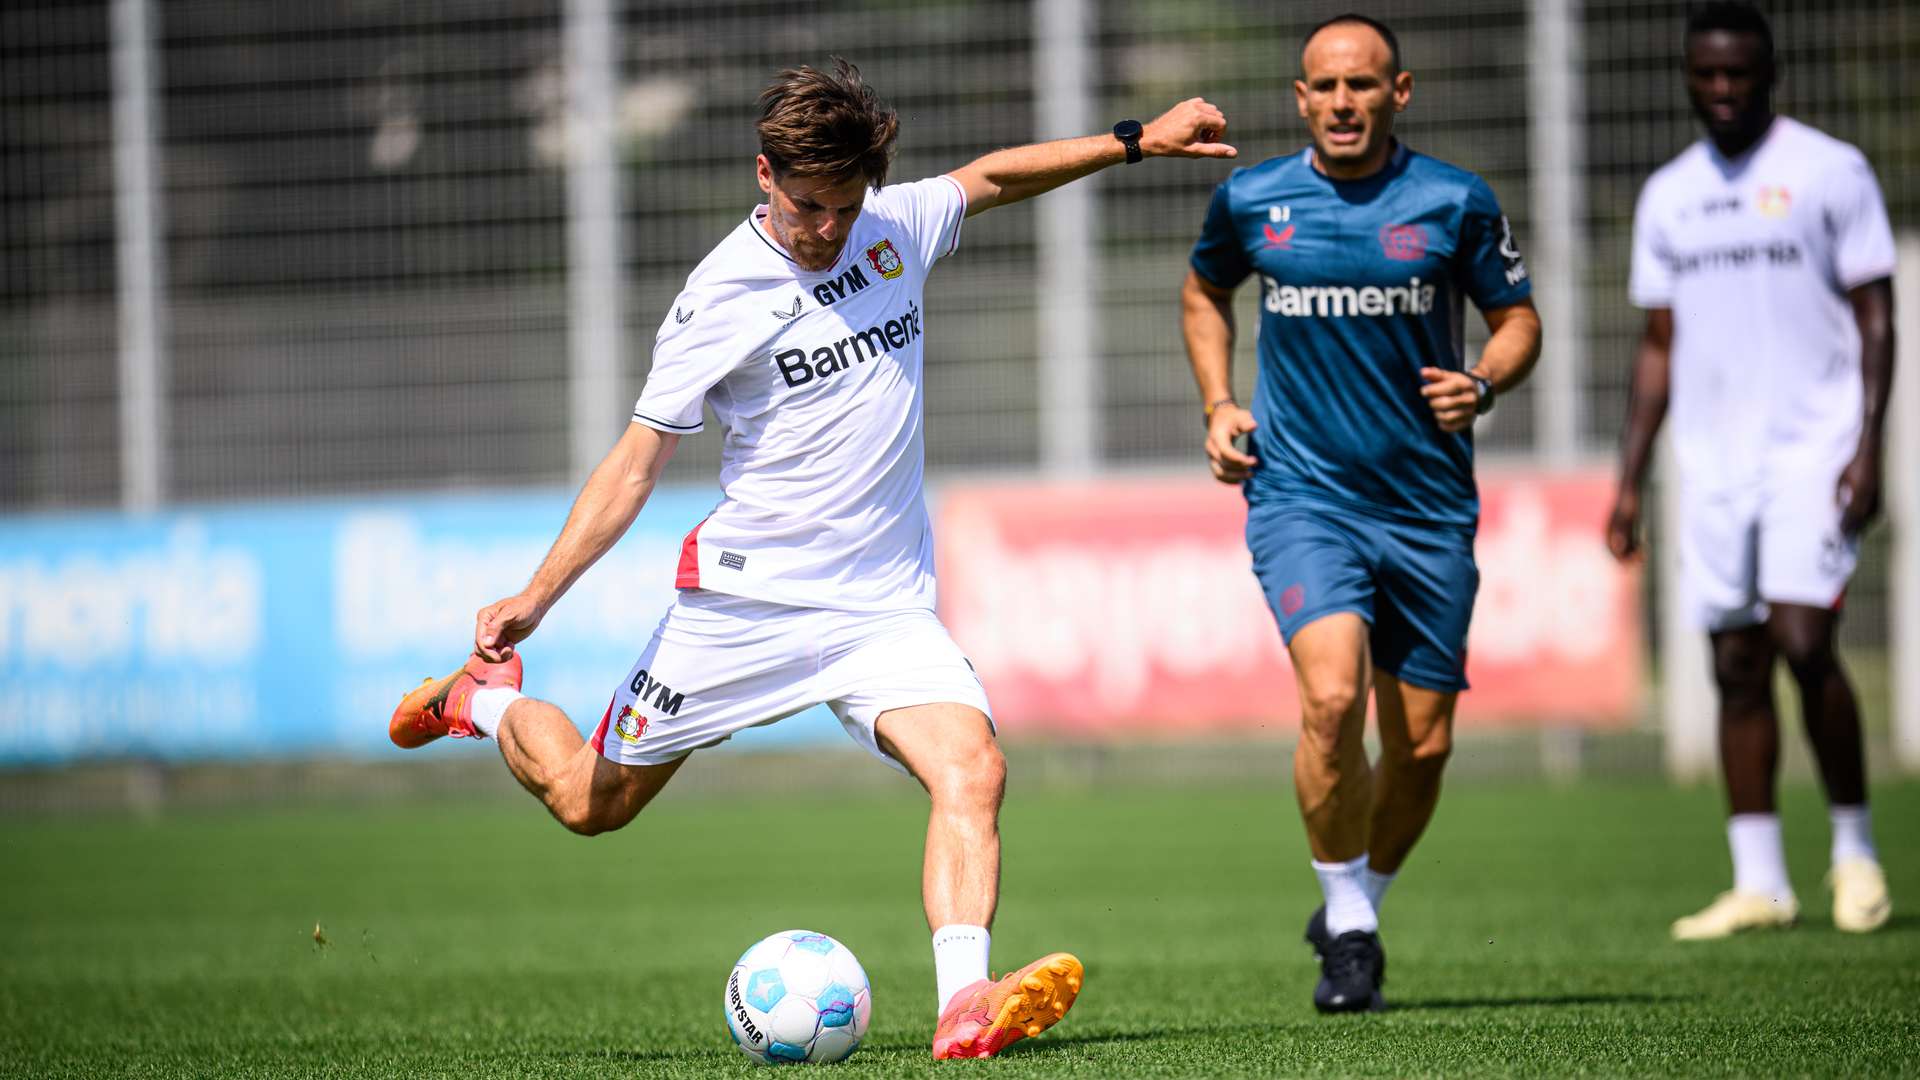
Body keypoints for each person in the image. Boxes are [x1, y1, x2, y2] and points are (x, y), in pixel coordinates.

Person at [389, 58, 1234, 1058]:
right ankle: (479, 701)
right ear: (763, 176)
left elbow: (995, 178)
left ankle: (964, 1004)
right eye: (807, 207)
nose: (829, 229)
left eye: (846, 205)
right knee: (587, 803)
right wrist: (539, 593)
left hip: (880, 608)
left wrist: (1137, 140)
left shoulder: (891, 227)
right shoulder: (719, 297)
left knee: (974, 768)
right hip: (745, 608)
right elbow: (632, 466)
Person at [1180, 13, 1541, 1012]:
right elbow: (1204, 292)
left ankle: (1357, 899)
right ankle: (1351, 934)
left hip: (1428, 509)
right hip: (1303, 496)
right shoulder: (1253, 199)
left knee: (1421, 747)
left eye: (1364, 86)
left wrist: (1486, 380)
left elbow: (1518, 319)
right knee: (1331, 703)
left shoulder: (1455, 202)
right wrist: (1218, 404)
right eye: (1325, 87)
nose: (1344, 102)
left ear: (1401, 92)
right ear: (1301, 99)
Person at [1607, 1, 1895, 940]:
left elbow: (1876, 317)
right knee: (1735, 661)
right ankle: (1759, 880)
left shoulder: (1828, 171)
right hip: (1712, 459)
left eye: (1740, 73)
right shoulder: (1670, 195)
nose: (1723, 89)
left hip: (1815, 447)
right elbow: (1658, 345)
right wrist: (1629, 476)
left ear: (1769, 74)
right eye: (1707, 74)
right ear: (1689, 78)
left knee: (1806, 642)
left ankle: (1854, 856)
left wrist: (1869, 445)